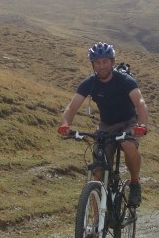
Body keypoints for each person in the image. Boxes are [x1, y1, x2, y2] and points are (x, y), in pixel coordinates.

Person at [58, 42, 149, 206]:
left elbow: (140, 103)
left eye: (105, 61)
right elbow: (72, 107)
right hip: (106, 126)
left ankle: (135, 182)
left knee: (128, 145)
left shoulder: (124, 80)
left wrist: (141, 126)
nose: (102, 66)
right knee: (97, 173)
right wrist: (65, 125)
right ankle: (95, 225)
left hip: (128, 122)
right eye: (97, 62)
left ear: (112, 62)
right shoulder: (90, 83)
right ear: (92, 64)